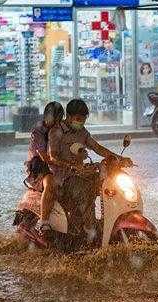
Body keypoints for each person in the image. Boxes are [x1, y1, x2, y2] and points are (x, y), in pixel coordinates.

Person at [47, 99, 132, 232]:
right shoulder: (56, 132)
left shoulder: (82, 132)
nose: (81, 122)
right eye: (78, 118)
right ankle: (90, 230)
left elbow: (97, 148)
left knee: (108, 185)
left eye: (83, 119)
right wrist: (71, 166)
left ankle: (107, 223)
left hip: (80, 174)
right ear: (68, 116)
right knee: (85, 191)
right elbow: (53, 156)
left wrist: (119, 159)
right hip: (63, 178)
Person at [23, 101, 65, 234]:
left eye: (59, 118)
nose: (57, 121)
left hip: (57, 167)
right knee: (50, 184)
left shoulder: (60, 130)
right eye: (55, 118)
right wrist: (66, 163)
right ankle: (44, 222)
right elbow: (45, 158)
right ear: (47, 116)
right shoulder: (38, 132)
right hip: (39, 169)